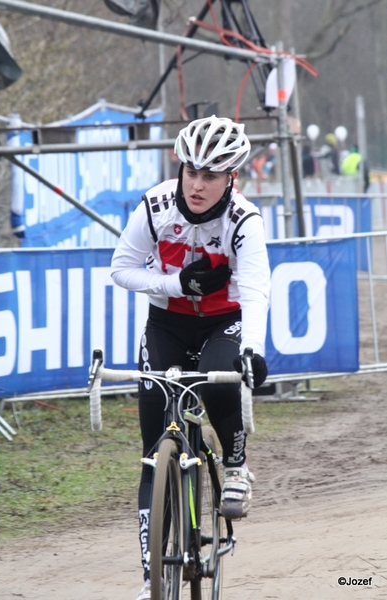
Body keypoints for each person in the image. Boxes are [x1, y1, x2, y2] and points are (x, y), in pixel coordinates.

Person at [111, 115, 271, 600]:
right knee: (150, 453)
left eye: (211, 175)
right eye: (192, 172)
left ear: (231, 179)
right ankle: (151, 578)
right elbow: (121, 270)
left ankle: (237, 466)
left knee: (222, 378)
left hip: (223, 321)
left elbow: (257, 289)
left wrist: (253, 350)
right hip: (167, 322)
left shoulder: (244, 219)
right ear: (180, 168)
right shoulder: (156, 206)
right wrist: (174, 283)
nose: (198, 185)